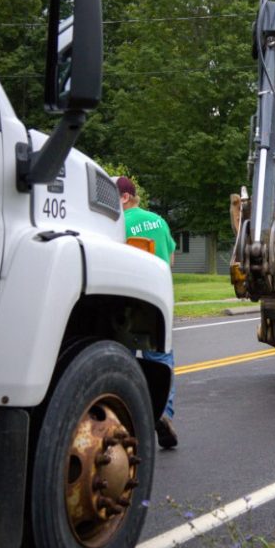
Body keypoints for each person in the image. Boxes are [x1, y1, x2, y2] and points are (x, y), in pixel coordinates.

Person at [117, 176, 179, 449]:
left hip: (128, 300)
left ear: (125, 197)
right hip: (158, 299)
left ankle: (124, 423)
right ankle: (164, 414)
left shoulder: (117, 224)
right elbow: (171, 257)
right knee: (161, 359)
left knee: (124, 361)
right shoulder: (159, 221)